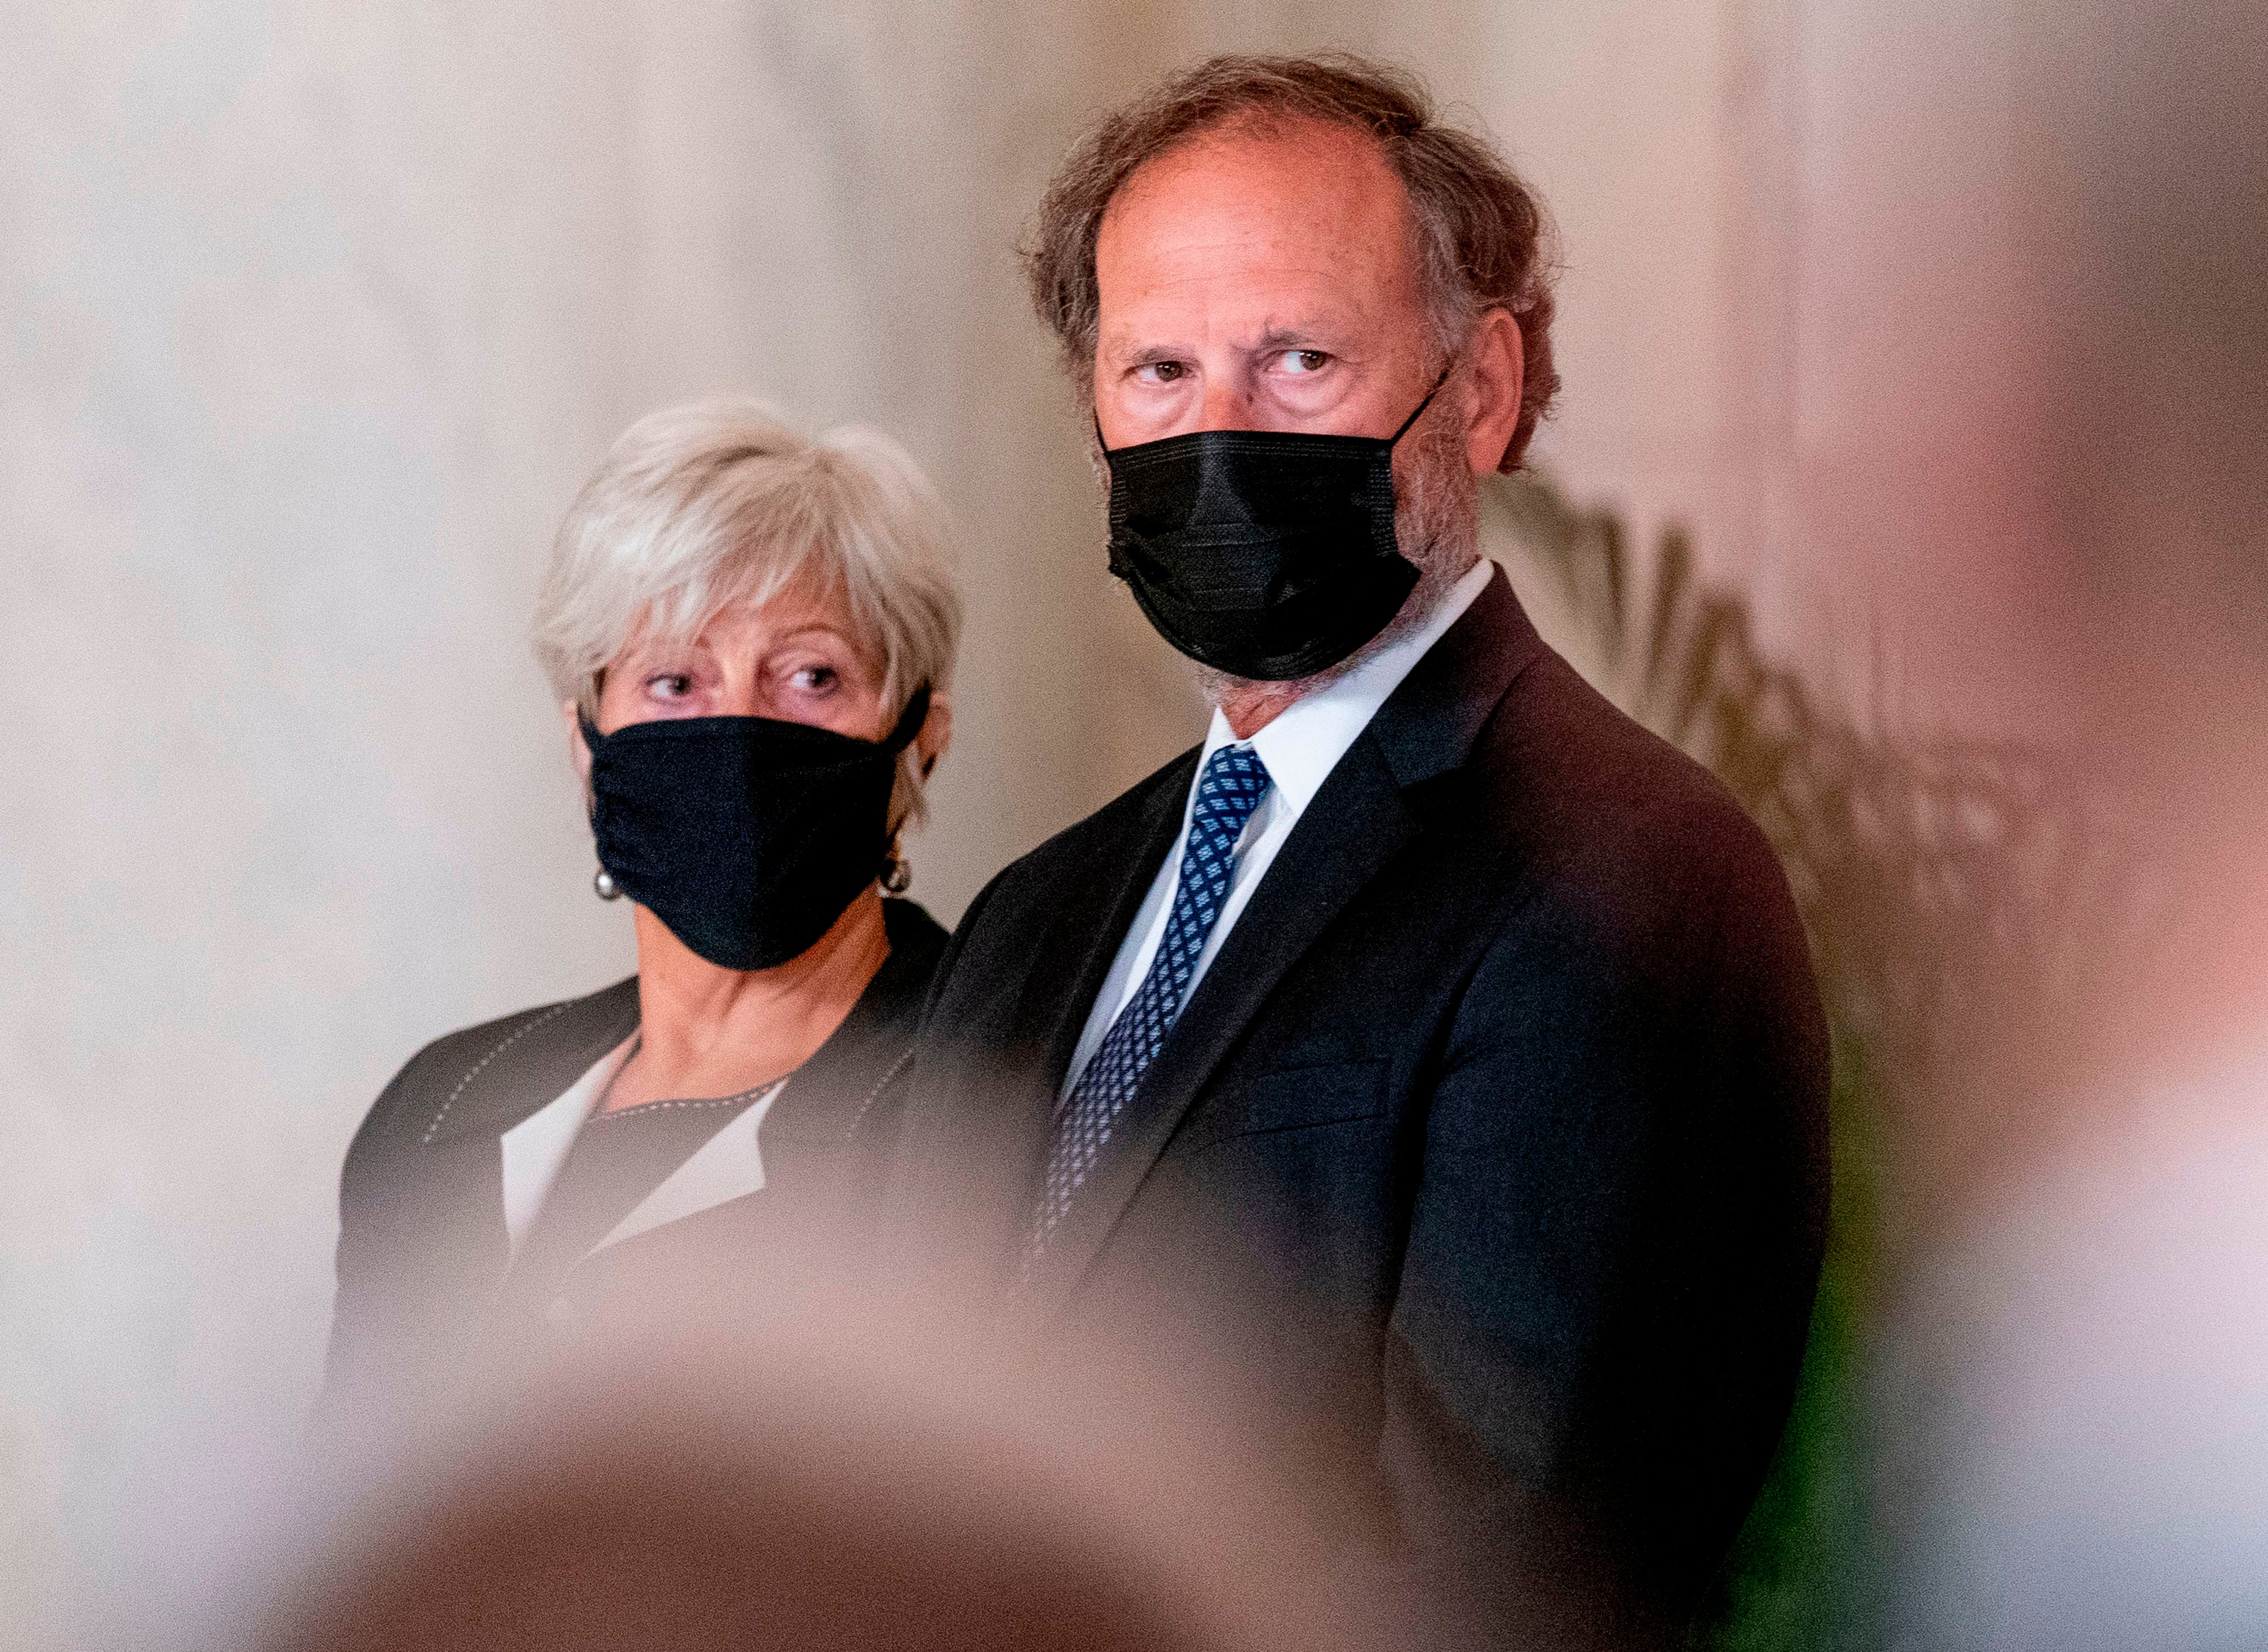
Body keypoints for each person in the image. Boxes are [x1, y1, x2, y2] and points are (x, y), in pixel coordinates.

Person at [892, 54, 1829, 1646]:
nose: (1219, 434)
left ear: (1480, 386)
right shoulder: (1034, 918)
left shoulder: (1628, 880)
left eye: (1302, 358)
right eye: (1160, 371)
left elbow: (1493, 1571)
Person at [324, 397, 959, 1412]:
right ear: (587, 737)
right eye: (674, 679)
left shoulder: (999, 1115)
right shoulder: (434, 1110)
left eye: (810, 675)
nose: (739, 732)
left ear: (920, 733)